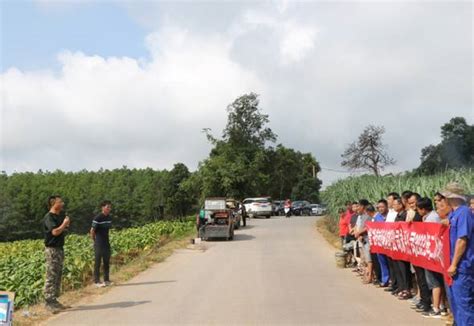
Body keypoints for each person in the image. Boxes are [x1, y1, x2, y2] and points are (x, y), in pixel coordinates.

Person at [441, 182, 474, 326]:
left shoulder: (464, 212)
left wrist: (454, 264)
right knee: (456, 302)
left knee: (464, 304)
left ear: (450, 198)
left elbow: (462, 240)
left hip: (462, 266)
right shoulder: (455, 213)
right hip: (455, 266)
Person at [417, 197, 447, 318]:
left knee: (434, 282)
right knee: (437, 281)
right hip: (434, 254)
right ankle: (441, 306)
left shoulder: (432, 218)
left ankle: (436, 308)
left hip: (432, 255)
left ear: (423, 209)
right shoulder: (431, 217)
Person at [43, 195, 70, 313]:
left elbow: (61, 230)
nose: (62, 203)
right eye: (60, 202)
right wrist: (64, 224)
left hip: (59, 249)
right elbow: (54, 232)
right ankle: (49, 302)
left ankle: (54, 300)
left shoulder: (58, 216)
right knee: (51, 275)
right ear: (54, 204)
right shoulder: (49, 217)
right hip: (52, 250)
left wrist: (65, 225)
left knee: (58, 275)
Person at [407, 193, 432, 314]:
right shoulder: (416, 215)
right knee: (419, 278)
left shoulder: (424, 217)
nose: (413, 206)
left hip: (423, 252)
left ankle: (427, 302)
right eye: (410, 203)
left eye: (414, 203)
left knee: (423, 278)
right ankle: (423, 299)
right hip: (416, 251)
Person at [393, 196, 413, 300]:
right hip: (397, 245)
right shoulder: (397, 215)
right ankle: (401, 287)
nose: (393, 206)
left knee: (404, 268)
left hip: (404, 246)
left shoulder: (405, 214)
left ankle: (407, 289)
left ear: (401, 205)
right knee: (398, 268)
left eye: (395, 204)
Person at [90, 200, 113, 287]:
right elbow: (92, 231)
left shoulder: (109, 217)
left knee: (106, 261)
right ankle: (96, 281)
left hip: (106, 242)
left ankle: (106, 280)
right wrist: (94, 241)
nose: (109, 209)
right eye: (107, 207)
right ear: (102, 208)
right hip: (99, 243)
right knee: (98, 262)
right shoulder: (98, 218)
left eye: (110, 207)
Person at [384, 192, 400, 294]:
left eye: (390, 200)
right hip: (388, 242)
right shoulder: (389, 212)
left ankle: (398, 285)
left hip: (396, 243)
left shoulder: (396, 213)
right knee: (391, 265)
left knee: (397, 266)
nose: (388, 202)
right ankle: (393, 284)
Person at [354, 199, 372, 284]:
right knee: (365, 259)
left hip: (367, 239)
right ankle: (366, 274)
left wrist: (359, 232)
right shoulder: (361, 216)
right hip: (363, 239)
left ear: (363, 206)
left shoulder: (368, 215)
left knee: (369, 259)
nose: (357, 208)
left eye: (359, 206)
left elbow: (368, 226)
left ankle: (369, 277)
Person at [374, 199, 390, 287]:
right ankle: (385, 279)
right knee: (382, 262)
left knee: (390, 263)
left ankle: (391, 280)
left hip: (390, 244)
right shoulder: (377, 217)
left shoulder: (391, 215)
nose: (380, 209)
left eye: (382, 207)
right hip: (380, 244)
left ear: (386, 206)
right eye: (379, 207)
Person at [366, 204, 382, 285]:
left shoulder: (378, 217)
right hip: (373, 243)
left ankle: (380, 278)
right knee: (375, 261)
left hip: (378, 244)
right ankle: (378, 277)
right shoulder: (373, 218)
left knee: (378, 262)